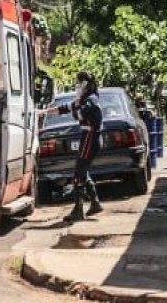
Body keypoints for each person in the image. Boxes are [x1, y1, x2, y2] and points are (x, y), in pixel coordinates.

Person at [46, 71, 103, 222]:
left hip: (91, 137)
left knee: (79, 172)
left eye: (80, 83)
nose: (78, 86)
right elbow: (65, 108)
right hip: (87, 136)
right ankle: (95, 203)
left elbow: (80, 114)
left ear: (86, 85)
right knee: (82, 170)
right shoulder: (85, 99)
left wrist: (77, 101)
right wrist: (44, 112)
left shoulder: (91, 100)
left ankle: (78, 210)